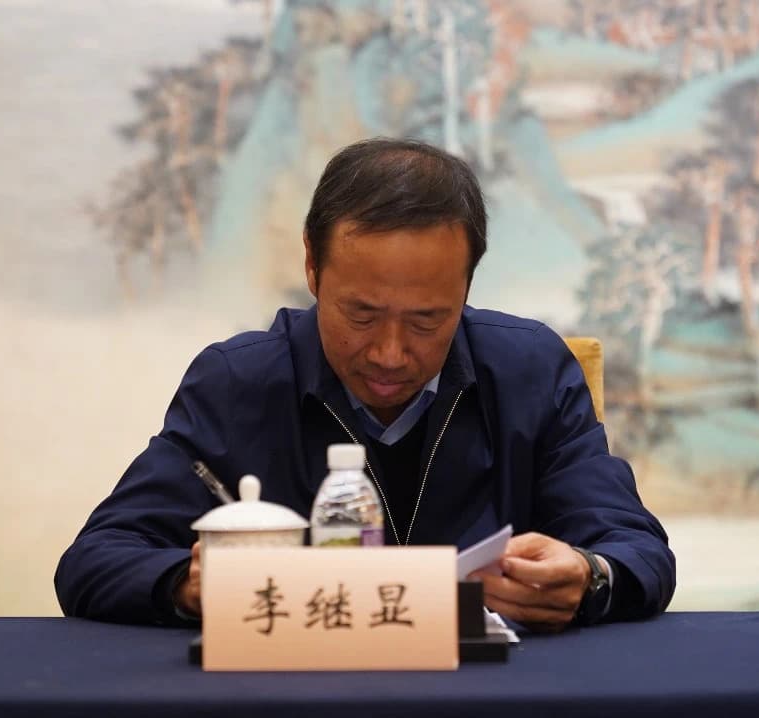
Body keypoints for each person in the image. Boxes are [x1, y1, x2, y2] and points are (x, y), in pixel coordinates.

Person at [55, 138, 675, 632]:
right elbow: (96, 559)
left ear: (467, 285)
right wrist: (190, 586)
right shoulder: (238, 382)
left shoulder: (529, 370)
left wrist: (590, 576)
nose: (389, 353)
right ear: (312, 266)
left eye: (427, 320)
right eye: (361, 314)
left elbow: (634, 546)